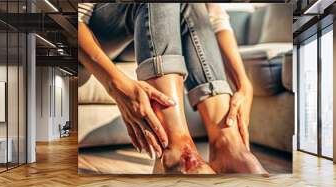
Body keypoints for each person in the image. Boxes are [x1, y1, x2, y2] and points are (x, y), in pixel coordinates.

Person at [78, 3, 267, 174]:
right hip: (96, 32)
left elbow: (216, 19)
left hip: (144, 31)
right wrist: (114, 83)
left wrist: (244, 83)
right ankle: (177, 151)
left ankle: (228, 147)